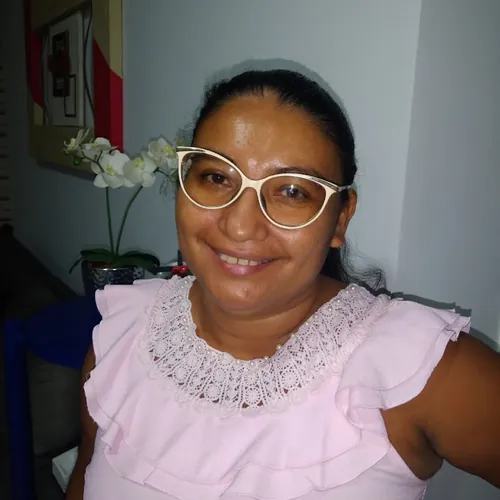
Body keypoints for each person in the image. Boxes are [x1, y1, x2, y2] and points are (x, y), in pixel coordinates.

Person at [67, 69, 500, 500]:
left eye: (292, 192)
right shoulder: (124, 335)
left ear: (340, 218)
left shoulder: (415, 371)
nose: (240, 226)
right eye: (217, 177)